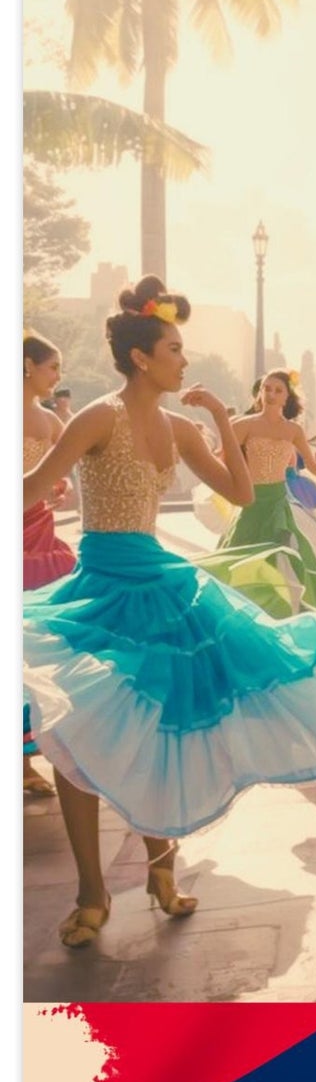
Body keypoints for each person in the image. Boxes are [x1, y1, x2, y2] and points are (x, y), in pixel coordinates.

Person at [22, 275, 316, 950]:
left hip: (160, 584)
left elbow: (242, 493)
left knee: (162, 731)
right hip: (99, 587)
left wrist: (221, 417)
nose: (184, 360)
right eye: (173, 349)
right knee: (75, 734)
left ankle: (162, 873)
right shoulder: (96, 416)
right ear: (141, 358)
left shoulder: (183, 427)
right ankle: (91, 893)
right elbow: (31, 489)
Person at [195, 369, 316, 617]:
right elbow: (220, 460)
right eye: (267, 388)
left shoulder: (293, 430)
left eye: (278, 390)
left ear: (287, 397)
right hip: (251, 502)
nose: (271, 394)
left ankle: (283, 611)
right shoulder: (242, 425)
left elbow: (313, 466)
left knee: (287, 559)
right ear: (260, 393)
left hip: (278, 503)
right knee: (239, 557)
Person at [23, 329, 75, 797]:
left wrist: (60, 487)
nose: (58, 376)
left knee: (37, 643)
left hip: (40, 530)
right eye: (52, 367)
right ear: (27, 367)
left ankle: (29, 754)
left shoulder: (51, 421)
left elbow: (66, 471)